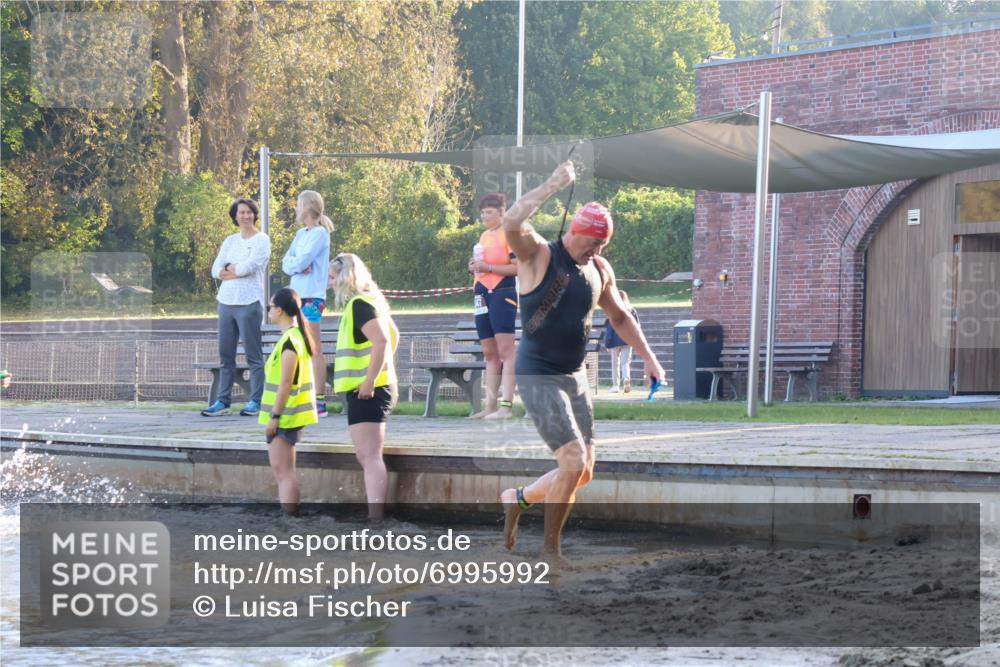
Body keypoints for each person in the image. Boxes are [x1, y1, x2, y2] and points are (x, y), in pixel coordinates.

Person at [499, 161, 665, 568]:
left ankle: (516, 500)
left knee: (584, 471)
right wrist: (554, 184)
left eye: (603, 246)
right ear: (575, 231)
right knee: (571, 461)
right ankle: (551, 553)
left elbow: (621, 317)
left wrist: (649, 358)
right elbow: (511, 220)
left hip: (574, 377)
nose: (597, 252)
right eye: (593, 243)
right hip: (538, 374)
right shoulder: (537, 254)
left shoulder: (598, 269)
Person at [329, 253, 399, 521]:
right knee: (368, 456)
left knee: (370, 457)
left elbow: (381, 341)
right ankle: (375, 516)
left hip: (368, 391)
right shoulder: (373, 301)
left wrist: (370, 379)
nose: (331, 283)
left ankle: (376, 519)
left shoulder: (359, 305)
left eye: (333, 278)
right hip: (373, 388)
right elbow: (393, 336)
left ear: (347, 278)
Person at [202, 198, 271, 417]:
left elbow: (251, 266)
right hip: (226, 303)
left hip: (249, 303)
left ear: (254, 215)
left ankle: (256, 401)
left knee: (253, 355)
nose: (245, 216)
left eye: (249, 212)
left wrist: (231, 269)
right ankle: (223, 401)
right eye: (241, 212)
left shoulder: (261, 240)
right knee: (226, 355)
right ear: (235, 216)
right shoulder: (230, 240)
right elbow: (215, 270)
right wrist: (230, 270)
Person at [260, 287, 319, 515]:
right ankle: (291, 516)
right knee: (285, 471)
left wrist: (274, 417)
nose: (269, 311)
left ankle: (289, 520)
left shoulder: (290, 341)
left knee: (283, 472)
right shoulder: (294, 336)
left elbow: (285, 383)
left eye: (271, 307)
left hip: (285, 415)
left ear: (281, 310)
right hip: (289, 414)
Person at [467, 192, 519, 420]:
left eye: (489, 213)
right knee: (489, 352)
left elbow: (517, 268)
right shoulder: (484, 236)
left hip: (502, 291)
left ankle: (506, 406)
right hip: (481, 292)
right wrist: (474, 267)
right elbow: (481, 265)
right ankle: (489, 406)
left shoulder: (510, 234)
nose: (485, 217)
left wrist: (489, 267)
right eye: (482, 213)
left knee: (506, 351)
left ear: (501, 212)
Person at [282, 190, 333, 417]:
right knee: (296, 347)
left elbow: (303, 260)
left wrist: (299, 264)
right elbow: (287, 262)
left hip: (312, 297)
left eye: (298, 205)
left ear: (307, 207)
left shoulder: (320, 233)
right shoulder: (301, 234)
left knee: (313, 349)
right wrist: (297, 266)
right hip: (296, 295)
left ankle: (319, 400)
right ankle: (300, 395)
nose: (295, 209)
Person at [604, 290, 639, 393]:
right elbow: (637, 326)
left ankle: (615, 386)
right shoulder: (632, 310)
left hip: (615, 340)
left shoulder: (613, 310)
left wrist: (608, 343)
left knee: (615, 363)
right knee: (625, 363)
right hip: (628, 339)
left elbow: (610, 328)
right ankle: (626, 378)